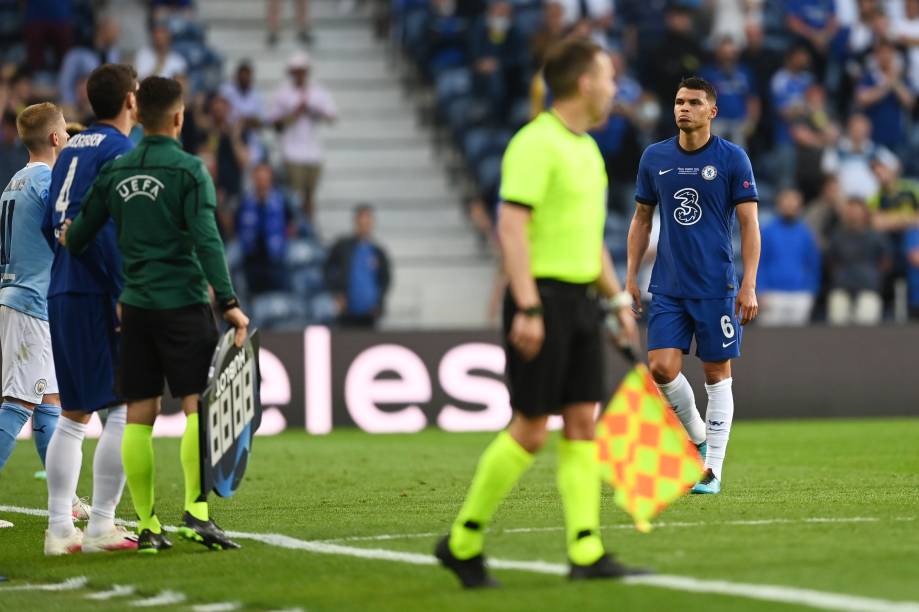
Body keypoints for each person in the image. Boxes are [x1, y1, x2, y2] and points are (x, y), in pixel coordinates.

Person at [434, 38, 643, 589]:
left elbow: (589, 239)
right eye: (608, 77)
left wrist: (616, 299)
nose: (614, 88)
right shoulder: (535, 143)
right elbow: (511, 228)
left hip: (580, 302)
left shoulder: (587, 150)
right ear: (584, 83)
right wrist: (526, 305)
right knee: (529, 430)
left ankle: (586, 549)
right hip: (541, 299)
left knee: (581, 424)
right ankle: (462, 540)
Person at [61, 75, 250, 554]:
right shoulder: (190, 171)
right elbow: (207, 240)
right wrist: (228, 303)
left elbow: (79, 237)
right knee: (194, 408)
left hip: (136, 308)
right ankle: (196, 513)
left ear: (138, 114)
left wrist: (69, 236)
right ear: (180, 117)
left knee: (139, 416)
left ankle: (146, 525)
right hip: (184, 304)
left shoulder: (116, 171)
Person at [626, 76, 760, 495]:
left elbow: (749, 224)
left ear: (712, 111)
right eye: (679, 101)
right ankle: (699, 435)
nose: (683, 108)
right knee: (661, 368)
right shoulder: (655, 157)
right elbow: (641, 219)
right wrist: (630, 276)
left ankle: (712, 469)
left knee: (717, 374)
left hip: (716, 285)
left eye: (694, 102)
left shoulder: (732, 158)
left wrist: (749, 284)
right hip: (667, 284)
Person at [43, 64, 140, 556]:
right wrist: (123, 288)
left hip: (61, 287)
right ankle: (101, 524)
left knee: (74, 413)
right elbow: (106, 228)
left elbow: (50, 222)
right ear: (130, 100)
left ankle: (60, 529)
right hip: (99, 291)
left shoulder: (67, 151)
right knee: (123, 407)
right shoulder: (122, 150)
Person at [0, 103, 68, 484]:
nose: (69, 137)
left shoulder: (14, 182)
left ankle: (65, 500)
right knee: (19, 403)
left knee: (49, 401)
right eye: (66, 132)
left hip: (16, 297)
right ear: (56, 138)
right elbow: (66, 241)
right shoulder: (46, 184)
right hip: (30, 304)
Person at [270, 51, 337, 220]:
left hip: (313, 151)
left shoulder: (317, 92)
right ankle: (296, 227)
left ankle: (309, 229)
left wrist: (313, 110)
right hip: (292, 151)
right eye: (296, 71)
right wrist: (295, 113)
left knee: (310, 196)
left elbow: (331, 116)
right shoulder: (282, 93)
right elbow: (275, 123)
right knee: (295, 196)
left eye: (302, 71)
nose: (299, 74)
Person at [757, 189, 821, 326]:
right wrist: (760, 290)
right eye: (786, 202)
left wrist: (811, 291)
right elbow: (759, 263)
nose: (790, 206)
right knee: (769, 341)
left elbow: (813, 265)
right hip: (771, 295)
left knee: (798, 343)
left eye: (793, 202)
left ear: (800, 206)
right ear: (779, 204)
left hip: (800, 295)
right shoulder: (767, 231)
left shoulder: (806, 234)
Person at [324, 204, 391, 328]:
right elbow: (327, 269)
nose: (365, 225)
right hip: (347, 313)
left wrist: (379, 303)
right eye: (362, 221)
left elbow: (385, 280)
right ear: (356, 222)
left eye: (368, 221)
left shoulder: (377, 251)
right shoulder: (343, 246)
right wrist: (337, 293)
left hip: (369, 315)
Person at [826, 197, 890, 325]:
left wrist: (875, 276)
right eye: (850, 210)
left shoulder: (875, 236)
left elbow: (886, 260)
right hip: (842, 287)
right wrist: (838, 276)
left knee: (866, 326)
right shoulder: (837, 236)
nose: (853, 214)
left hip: (868, 287)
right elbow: (830, 260)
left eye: (857, 210)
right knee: (836, 325)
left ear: (864, 213)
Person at [236, 163, 295, 295]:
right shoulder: (246, 202)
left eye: (265, 178)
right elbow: (237, 225)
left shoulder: (281, 200)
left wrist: (281, 239)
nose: (262, 182)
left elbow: (291, 224)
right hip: (252, 261)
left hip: (275, 260)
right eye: (259, 178)